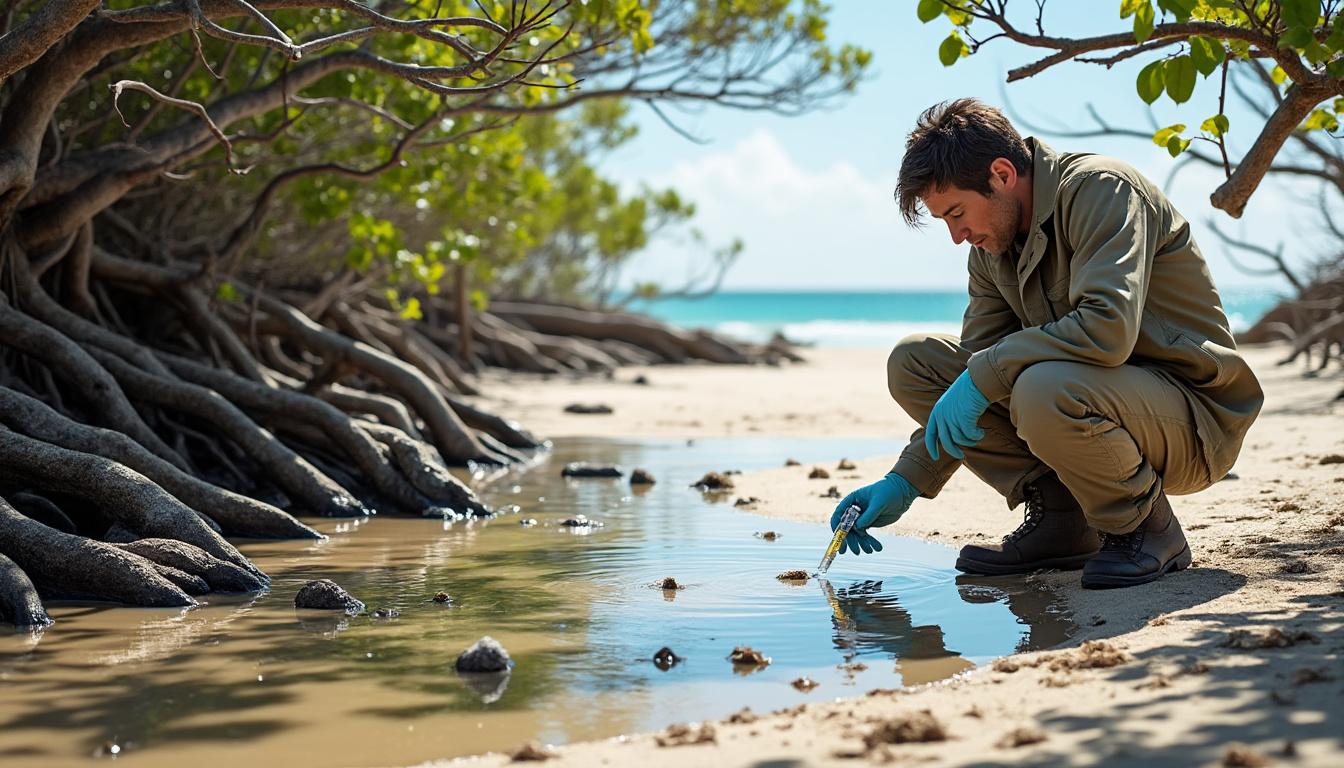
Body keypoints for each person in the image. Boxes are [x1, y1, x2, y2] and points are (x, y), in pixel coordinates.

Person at [834, 99, 1264, 589]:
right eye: (944, 222)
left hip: (1194, 419)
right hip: (1091, 400)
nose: (956, 236)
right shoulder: (990, 249)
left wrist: (985, 373)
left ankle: (1150, 529)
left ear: (1000, 174)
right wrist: (906, 481)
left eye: (956, 213)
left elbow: (1107, 330)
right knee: (916, 364)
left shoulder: (1101, 190)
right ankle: (1064, 523)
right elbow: (972, 380)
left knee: (1041, 386)